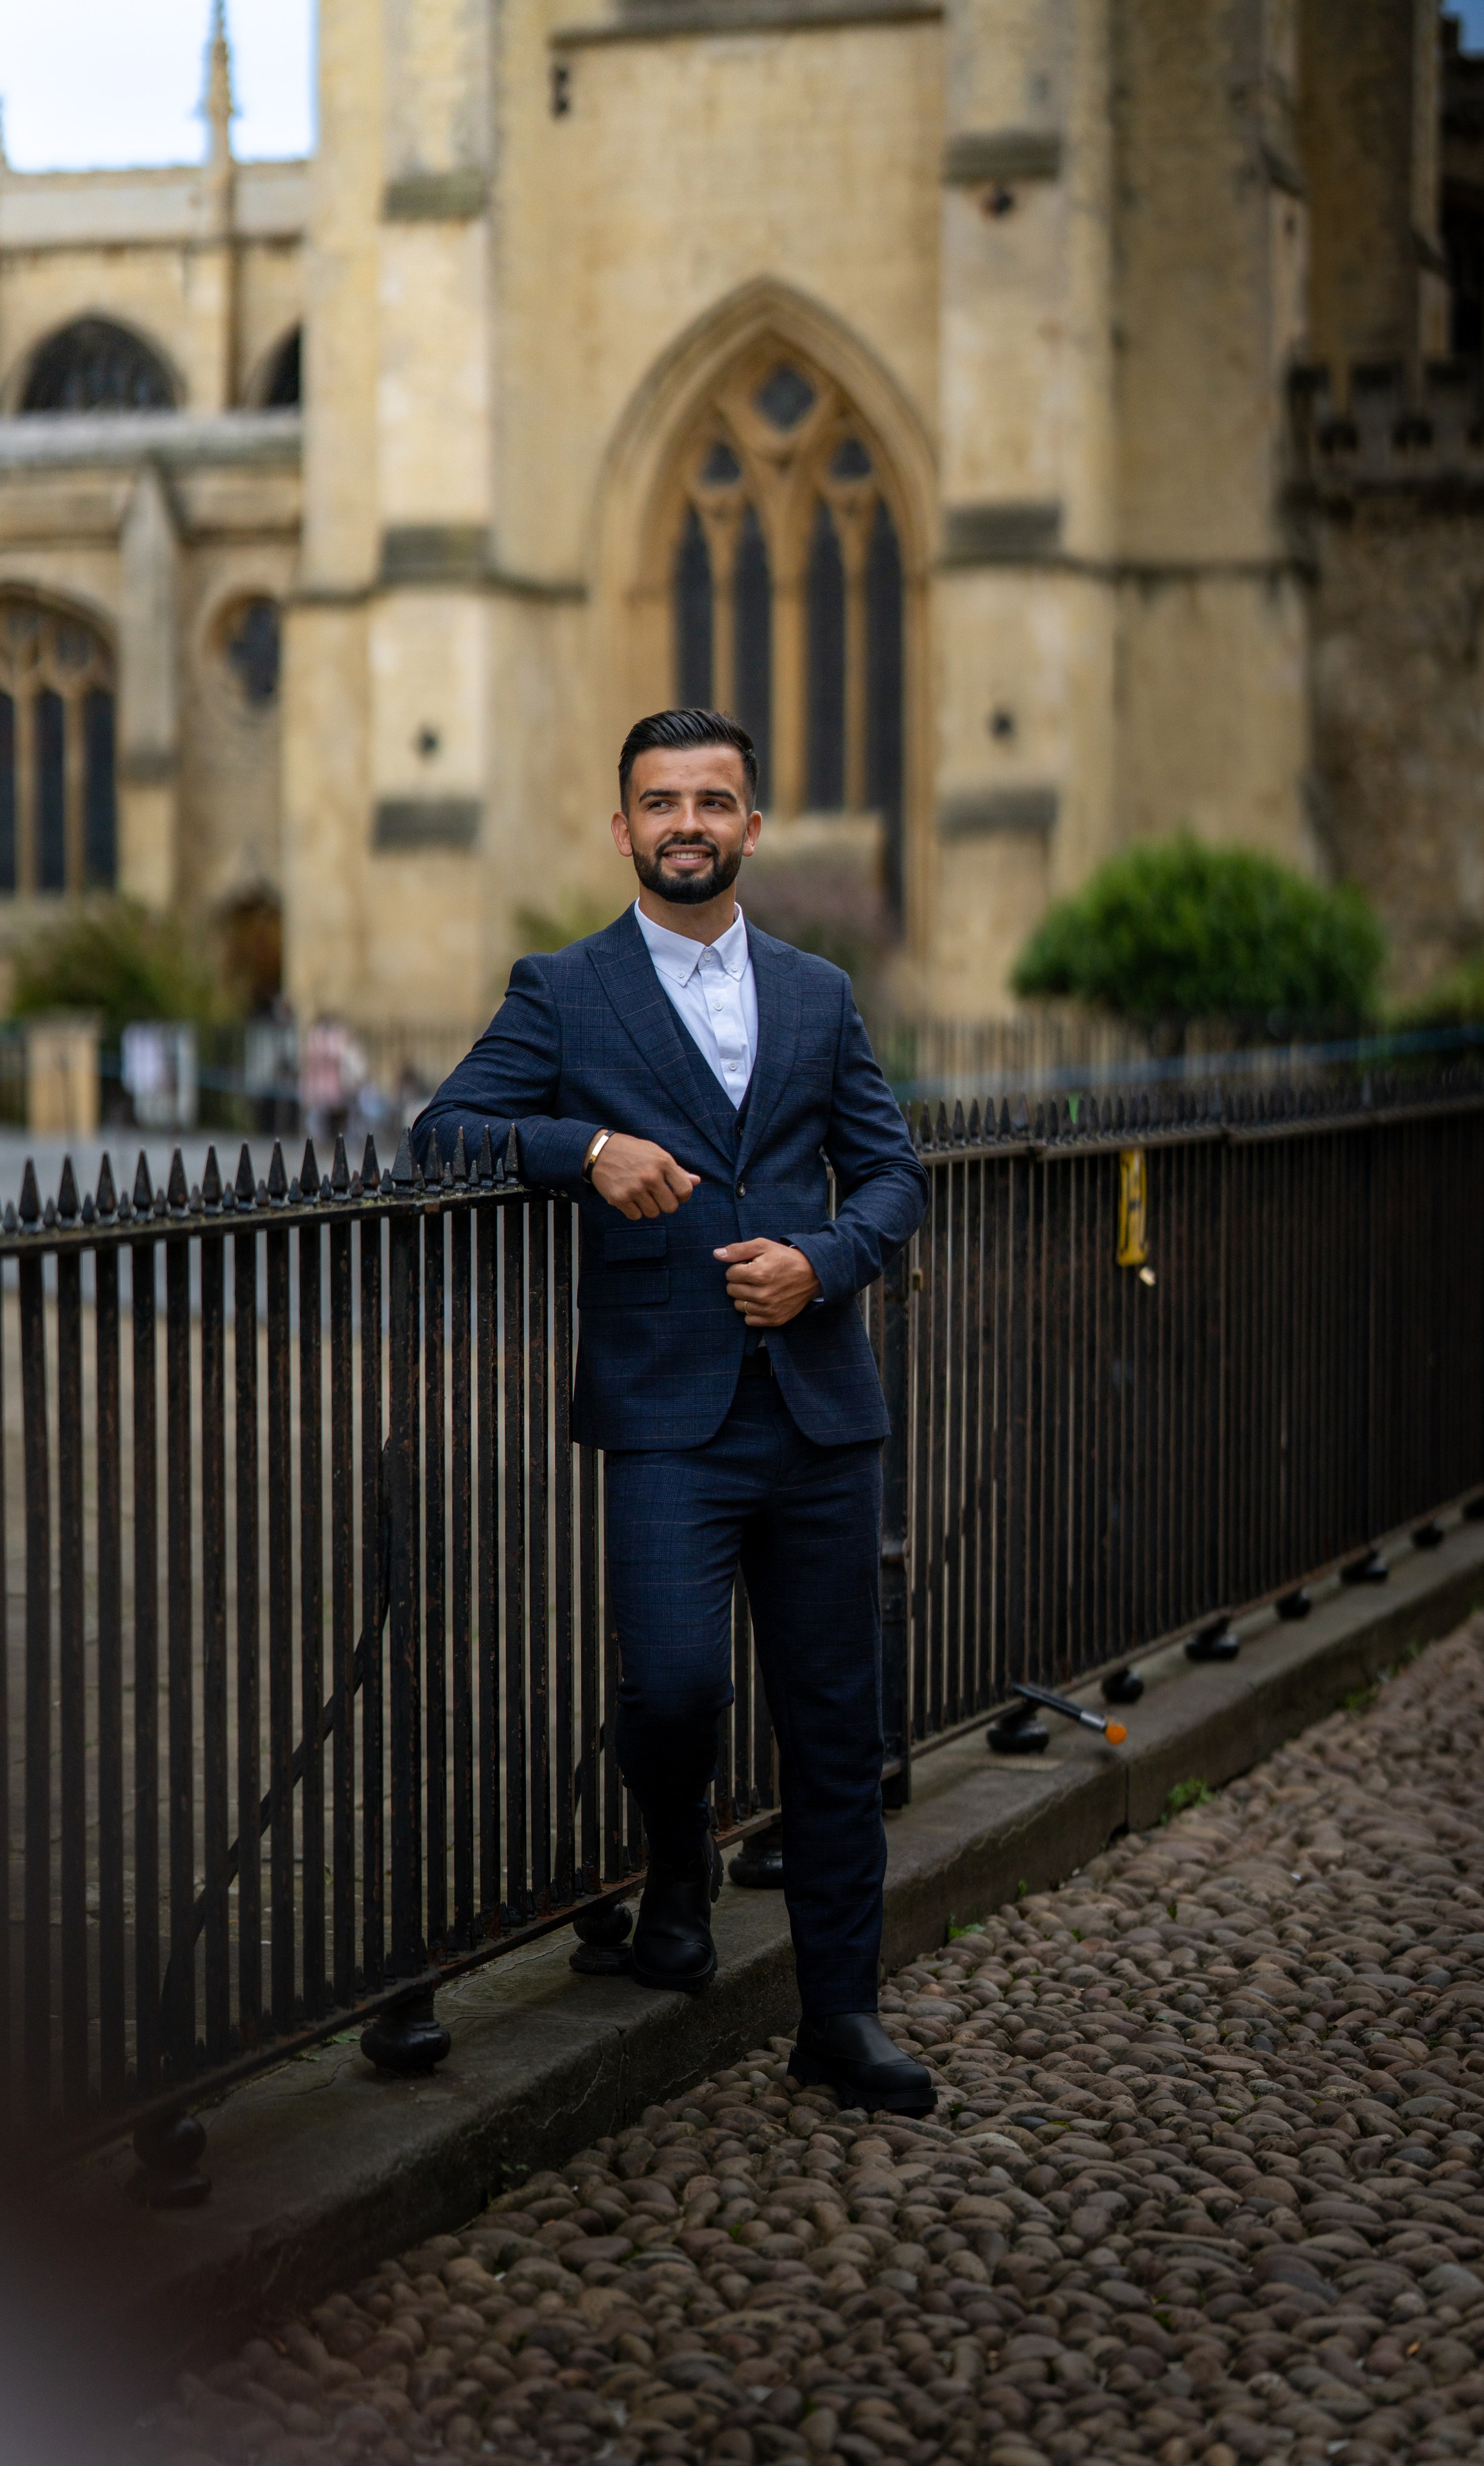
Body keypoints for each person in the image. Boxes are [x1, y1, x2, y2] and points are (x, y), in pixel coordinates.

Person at [412, 708, 933, 2115]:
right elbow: (440, 1131)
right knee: (676, 1686)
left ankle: (839, 2017)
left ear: (752, 824)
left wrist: (822, 1261)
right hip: (663, 1418)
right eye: (660, 802)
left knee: (834, 1725)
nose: (686, 823)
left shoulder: (820, 994)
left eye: (713, 800)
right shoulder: (562, 992)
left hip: (824, 1416)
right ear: (623, 827)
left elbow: (891, 1176)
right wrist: (580, 1148)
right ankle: (679, 1859)